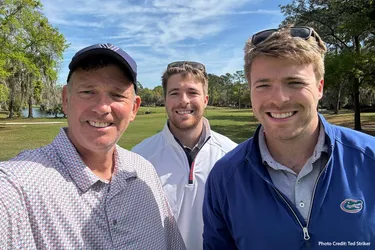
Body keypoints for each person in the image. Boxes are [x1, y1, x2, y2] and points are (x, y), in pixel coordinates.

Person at [203, 26, 375, 249]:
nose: (279, 99)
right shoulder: (225, 177)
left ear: (319, 87)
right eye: (263, 85)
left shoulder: (369, 159)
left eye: (294, 83)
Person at [0, 43, 186, 249]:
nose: (102, 108)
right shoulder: (17, 187)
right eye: (88, 91)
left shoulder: (145, 173)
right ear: (65, 99)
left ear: (134, 108)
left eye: (117, 95)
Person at [132, 61, 237, 250]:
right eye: (174, 93)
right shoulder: (138, 158)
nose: (184, 100)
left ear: (205, 99)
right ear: (165, 99)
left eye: (192, 92)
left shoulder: (233, 156)